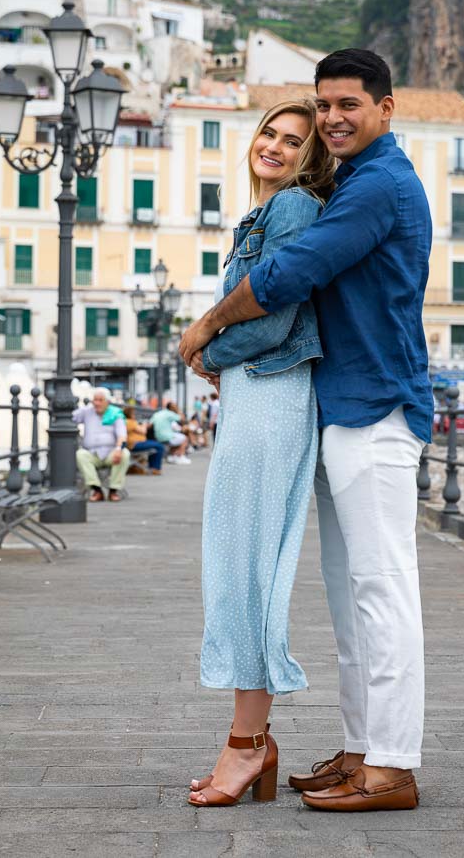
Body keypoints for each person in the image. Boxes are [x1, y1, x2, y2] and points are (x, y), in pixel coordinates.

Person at [181, 49, 433, 813]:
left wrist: (203, 329)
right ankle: (360, 748)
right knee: (349, 593)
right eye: (324, 105)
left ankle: (391, 765)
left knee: (381, 589)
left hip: (375, 403)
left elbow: (292, 276)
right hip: (339, 404)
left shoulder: (380, 185)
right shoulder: (353, 183)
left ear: (385, 109)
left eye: (347, 104)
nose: (331, 118)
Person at [186, 96, 335, 808]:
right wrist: (219, 358)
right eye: (268, 134)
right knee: (238, 561)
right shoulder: (269, 212)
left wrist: (204, 345)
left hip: (270, 396)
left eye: (292, 141)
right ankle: (255, 740)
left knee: (243, 565)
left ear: (310, 158)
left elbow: (275, 317)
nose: (273, 147)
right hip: (255, 396)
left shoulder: (294, 209)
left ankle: (246, 746)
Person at [73, 388, 129, 501]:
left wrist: (118, 449)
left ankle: (114, 490)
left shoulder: (115, 413)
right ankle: (96, 489)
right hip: (92, 453)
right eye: (95, 400)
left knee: (125, 453)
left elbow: (122, 436)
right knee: (80, 454)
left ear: (107, 402)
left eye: (100, 400)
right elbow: (72, 417)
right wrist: (87, 407)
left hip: (110, 453)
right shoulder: (88, 411)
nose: (97, 403)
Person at [123, 405, 165, 474]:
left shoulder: (126, 421)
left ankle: (152, 467)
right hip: (134, 444)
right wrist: (144, 425)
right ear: (129, 414)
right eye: (133, 413)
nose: (135, 415)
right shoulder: (130, 422)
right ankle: (155, 468)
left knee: (155, 446)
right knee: (159, 446)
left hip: (133, 444)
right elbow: (143, 431)